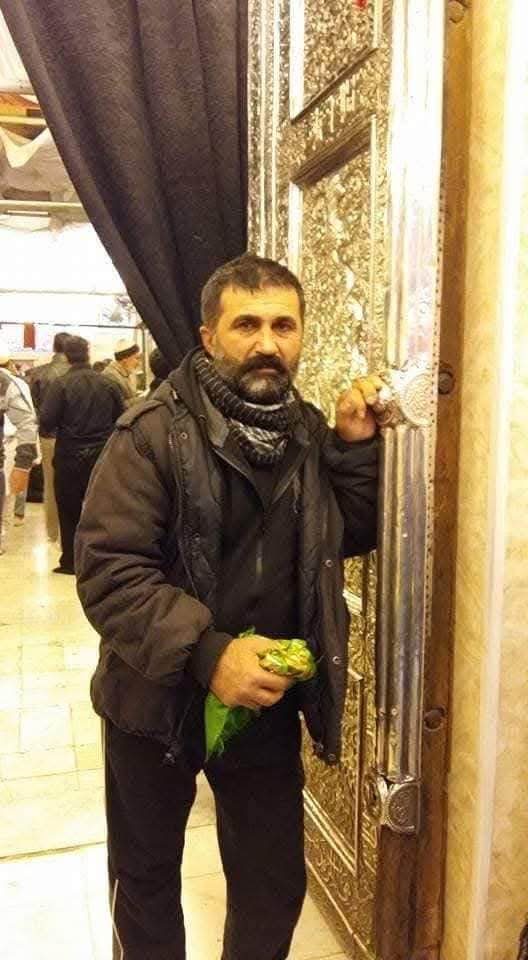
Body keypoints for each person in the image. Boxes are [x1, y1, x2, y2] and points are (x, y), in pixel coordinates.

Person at [75, 254, 383, 960]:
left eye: (283, 325)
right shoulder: (150, 432)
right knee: (146, 882)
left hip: (259, 705)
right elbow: (109, 569)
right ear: (209, 336)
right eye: (247, 325)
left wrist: (353, 449)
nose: (267, 343)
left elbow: (344, 536)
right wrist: (210, 653)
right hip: (153, 698)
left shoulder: (306, 432)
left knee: (272, 885)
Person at [40, 335, 125, 575]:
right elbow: (121, 417)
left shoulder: (61, 385)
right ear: (88, 353)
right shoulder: (108, 383)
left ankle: (71, 561)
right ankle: (101, 560)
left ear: (66, 356)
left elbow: (46, 422)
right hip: (102, 456)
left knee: (69, 510)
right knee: (101, 510)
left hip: (69, 456)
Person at [28, 331, 70, 542]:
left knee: (50, 484)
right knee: (75, 484)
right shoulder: (78, 373)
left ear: (54, 348)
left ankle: (53, 532)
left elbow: (34, 408)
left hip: (48, 437)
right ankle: (71, 531)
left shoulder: (38, 373)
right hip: (73, 436)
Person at [0, 338, 38, 555]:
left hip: (7, 448)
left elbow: (26, 423)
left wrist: (23, 464)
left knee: (7, 498)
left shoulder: (7, 384)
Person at [103, 337, 141, 407]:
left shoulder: (129, 372)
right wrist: (143, 399)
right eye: (137, 358)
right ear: (125, 359)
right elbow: (119, 406)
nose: (139, 363)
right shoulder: (110, 376)